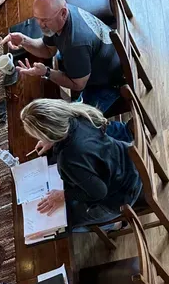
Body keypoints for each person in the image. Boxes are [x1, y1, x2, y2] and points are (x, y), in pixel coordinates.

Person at [20, 98, 142, 229]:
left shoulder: (68, 159)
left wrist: (63, 195)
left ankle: (114, 225)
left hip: (123, 193)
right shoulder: (79, 114)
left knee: (67, 220)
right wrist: (53, 139)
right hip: (128, 160)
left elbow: (99, 192)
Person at [3, 0, 124, 114]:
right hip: (94, 60)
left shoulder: (75, 45)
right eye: (37, 18)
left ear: (63, 13)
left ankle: (122, 132)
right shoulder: (58, 17)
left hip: (108, 83)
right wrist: (23, 40)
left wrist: (46, 72)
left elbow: (78, 85)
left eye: (44, 20)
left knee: (75, 123)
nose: (40, 24)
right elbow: (48, 50)